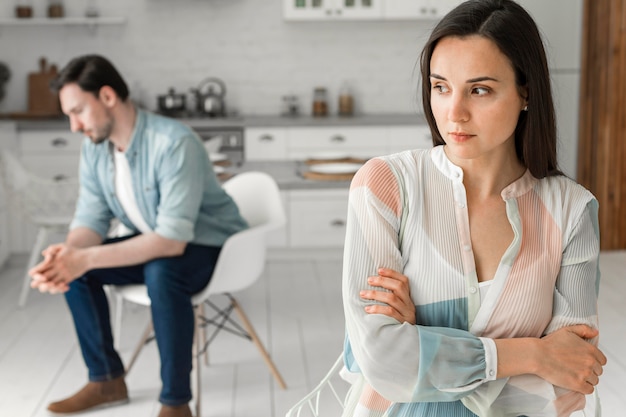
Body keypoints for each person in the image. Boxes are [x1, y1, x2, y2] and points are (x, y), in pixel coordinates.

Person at [341, 1, 607, 416]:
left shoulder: (571, 210)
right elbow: (380, 362)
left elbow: (568, 385)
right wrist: (534, 355)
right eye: (441, 87)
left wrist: (422, 342)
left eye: (479, 89)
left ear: (526, 93)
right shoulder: (385, 186)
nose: (454, 113)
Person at [28, 55, 248, 417]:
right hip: (156, 242)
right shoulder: (95, 149)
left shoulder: (174, 143)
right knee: (78, 272)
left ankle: (176, 404)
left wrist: (84, 258)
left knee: (163, 272)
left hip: (210, 245)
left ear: (108, 96)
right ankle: (106, 380)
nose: (73, 126)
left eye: (78, 111)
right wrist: (66, 258)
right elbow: (91, 219)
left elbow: (172, 241)